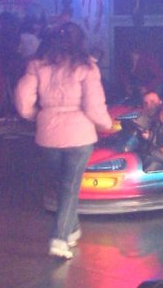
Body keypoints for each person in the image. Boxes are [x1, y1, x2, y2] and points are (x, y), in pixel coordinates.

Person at [15, 21, 116, 260]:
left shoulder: (37, 65)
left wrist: (37, 115)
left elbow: (22, 99)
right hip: (79, 135)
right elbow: (93, 106)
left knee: (62, 186)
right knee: (70, 188)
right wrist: (107, 125)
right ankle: (59, 238)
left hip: (48, 134)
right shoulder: (86, 67)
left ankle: (72, 229)